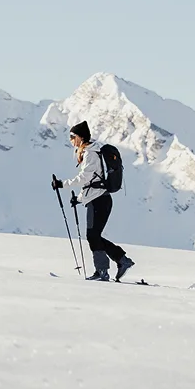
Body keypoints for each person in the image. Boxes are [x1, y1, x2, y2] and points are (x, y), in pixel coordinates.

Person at [53, 121, 134, 282]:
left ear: (81, 137)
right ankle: (121, 260)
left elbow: (85, 178)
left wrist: (63, 184)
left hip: (99, 201)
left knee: (93, 236)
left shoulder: (90, 153)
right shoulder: (91, 152)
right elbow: (92, 183)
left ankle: (103, 271)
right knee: (94, 235)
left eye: (72, 136)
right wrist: (79, 199)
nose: (71, 140)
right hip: (99, 200)